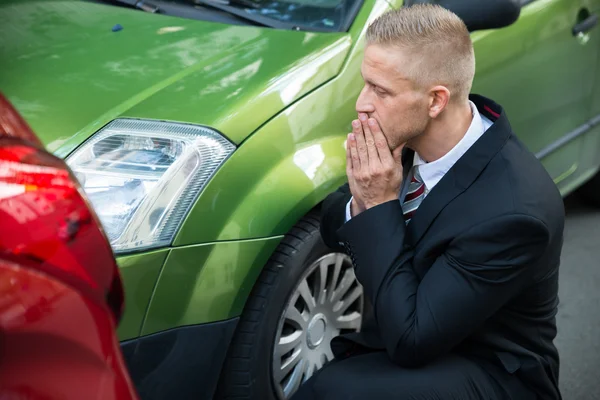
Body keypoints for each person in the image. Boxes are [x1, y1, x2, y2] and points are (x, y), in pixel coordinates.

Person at [291, 4, 564, 400]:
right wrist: (367, 200)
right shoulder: (405, 135)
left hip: (488, 371)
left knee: (332, 391)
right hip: (406, 335)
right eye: (366, 83)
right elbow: (335, 225)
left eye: (381, 91)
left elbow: (411, 340)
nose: (362, 103)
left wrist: (381, 201)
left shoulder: (514, 213)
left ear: (436, 100)